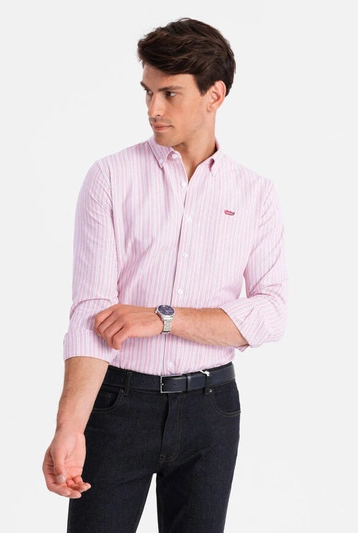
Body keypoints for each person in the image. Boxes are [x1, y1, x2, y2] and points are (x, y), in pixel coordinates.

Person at [42, 17, 288, 533]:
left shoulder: (256, 194)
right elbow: (91, 310)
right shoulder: (111, 177)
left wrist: (164, 318)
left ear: (214, 95)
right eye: (148, 92)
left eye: (170, 93)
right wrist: (70, 427)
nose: (153, 108)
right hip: (119, 404)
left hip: (212, 410)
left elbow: (270, 313)